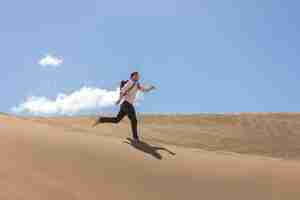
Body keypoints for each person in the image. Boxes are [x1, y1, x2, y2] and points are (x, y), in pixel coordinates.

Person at [93, 72, 155, 142]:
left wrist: (150, 88)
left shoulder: (136, 84)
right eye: (136, 76)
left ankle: (101, 119)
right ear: (132, 77)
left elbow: (144, 90)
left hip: (126, 105)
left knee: (117, 120)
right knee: (134, 120)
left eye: (138, 76)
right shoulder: (130, 83)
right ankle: (135, 138)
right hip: (127, 104)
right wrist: (119, 99)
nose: (138, 77)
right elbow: (122, 91)